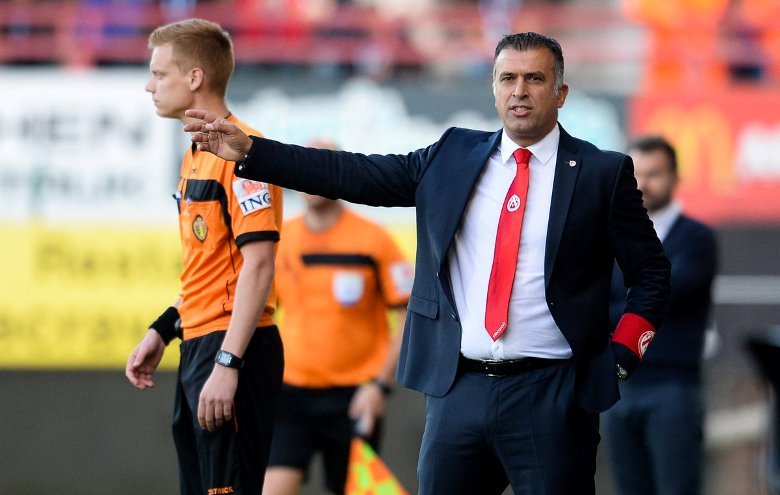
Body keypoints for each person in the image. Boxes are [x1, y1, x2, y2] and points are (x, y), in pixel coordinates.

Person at [184, 32, 671, 495]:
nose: (519, 90)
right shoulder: (453, 155)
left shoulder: (602, 172)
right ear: (494, 88)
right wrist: (254, 151)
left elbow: (651, 273)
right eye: (508, 78)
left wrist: (621, 359)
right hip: (459, 390)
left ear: (561, 93)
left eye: (535, 79)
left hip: (553, 393)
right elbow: (352, 173)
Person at [125, 18, 284, 495]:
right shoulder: (195, 153)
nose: (150, 86)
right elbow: (211, 267)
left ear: (195, 77)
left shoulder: (244, 153)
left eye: (159, 74)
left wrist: (228, 362)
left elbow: (259, 265)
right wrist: (164, 328)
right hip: (199, 343)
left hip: (232, 346)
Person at [265, 141, 413, 494]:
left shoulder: (374, 239)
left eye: (321, 165)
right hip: (290, 392)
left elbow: (409, 316)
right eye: (305, 167)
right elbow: (258, 312)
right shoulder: (280, 238)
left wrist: (379, 386)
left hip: (354, 397)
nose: (311, 177)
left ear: (338, 172)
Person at [603, 135, 718, 495]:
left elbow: (664, 297)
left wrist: (624, 305)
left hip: (673, 387)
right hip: (619, 387)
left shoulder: (695, 238)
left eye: (654, 174)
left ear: (674, 178)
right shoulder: (612, 238)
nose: (642, 184)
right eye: (635, 174)